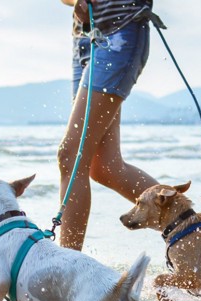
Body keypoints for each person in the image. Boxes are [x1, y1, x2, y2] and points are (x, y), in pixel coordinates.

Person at [57, 0, 159, 251]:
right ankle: (196, 231)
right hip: (84, 42)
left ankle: (66, 270)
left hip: (120, 31)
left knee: (70, 155)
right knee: (105, 167)